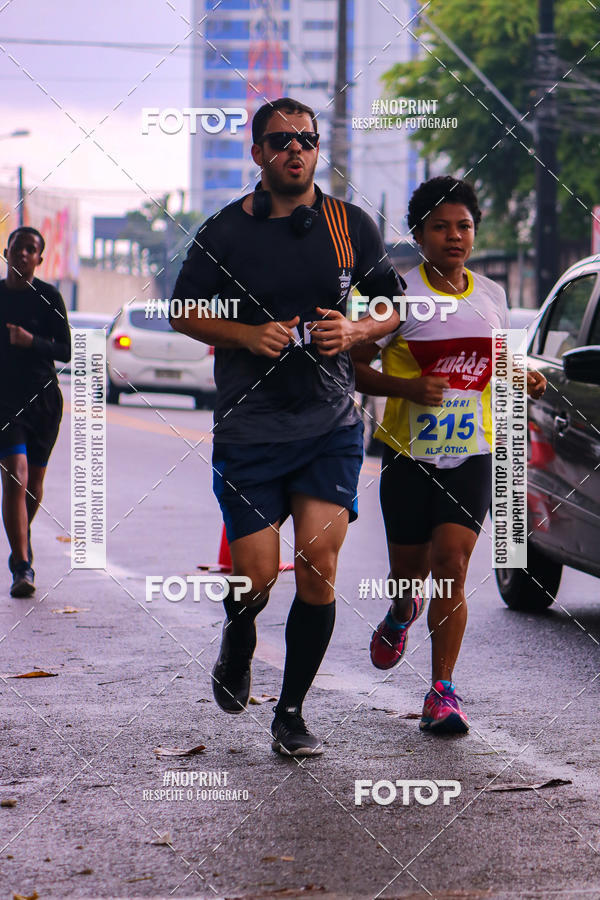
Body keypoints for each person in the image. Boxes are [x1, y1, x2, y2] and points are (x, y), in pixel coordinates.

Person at [170, 97, 403, 756]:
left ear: (317, 148)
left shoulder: (347, 224)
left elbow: (392, 304)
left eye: (305, 139)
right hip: (250, 428)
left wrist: (355, 326)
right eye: (280, 140)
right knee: (256, 576)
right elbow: (181, 310)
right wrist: (246, 334)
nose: (294, 149)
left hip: (328, 423)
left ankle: (292, 714)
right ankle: (239, 637)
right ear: (258, 154)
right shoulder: (225, 231)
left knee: (317, 566)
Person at [351, 176, 546, 734]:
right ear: (419, 234)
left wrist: (522, 374)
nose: (454, 236)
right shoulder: (400, 295)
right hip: (409, 455)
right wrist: (408, 389)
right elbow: (355, 365)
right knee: (409, 575)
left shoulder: (491, 296)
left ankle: (442, 691)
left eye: (463, 226)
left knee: (452, 567)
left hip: (474, 453)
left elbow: (495, 364)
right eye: (441, 227)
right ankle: (399, 611)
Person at [0, 226, 71, 597]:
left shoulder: (49, 297)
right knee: (16, 476)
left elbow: (65, 351)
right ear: (7, 250)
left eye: (32, 249)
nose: (24, 254)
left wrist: (31, 342)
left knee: (34, 485)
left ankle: (20, 545)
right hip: (4, 402)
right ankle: (22, 564)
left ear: (39, 259)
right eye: (18, 247)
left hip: (43, 402)